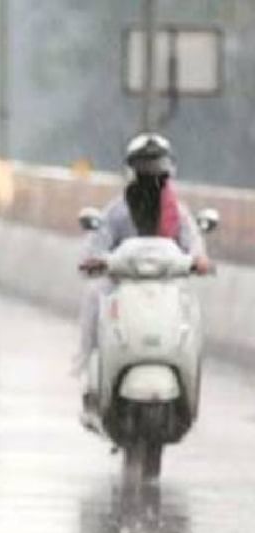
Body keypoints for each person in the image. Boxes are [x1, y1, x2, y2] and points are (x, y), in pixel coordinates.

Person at [76, 133, 213, 374]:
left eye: (156, 167)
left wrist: (199, 260)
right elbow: (98, 242)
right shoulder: (117, 211)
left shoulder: (178, 213)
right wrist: (96, 261)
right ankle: (91, 368)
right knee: (95, 298)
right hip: (123, 286)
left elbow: (193, 242)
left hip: (168, 287)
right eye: (144, 167)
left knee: (192, 312)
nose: (151, 174)